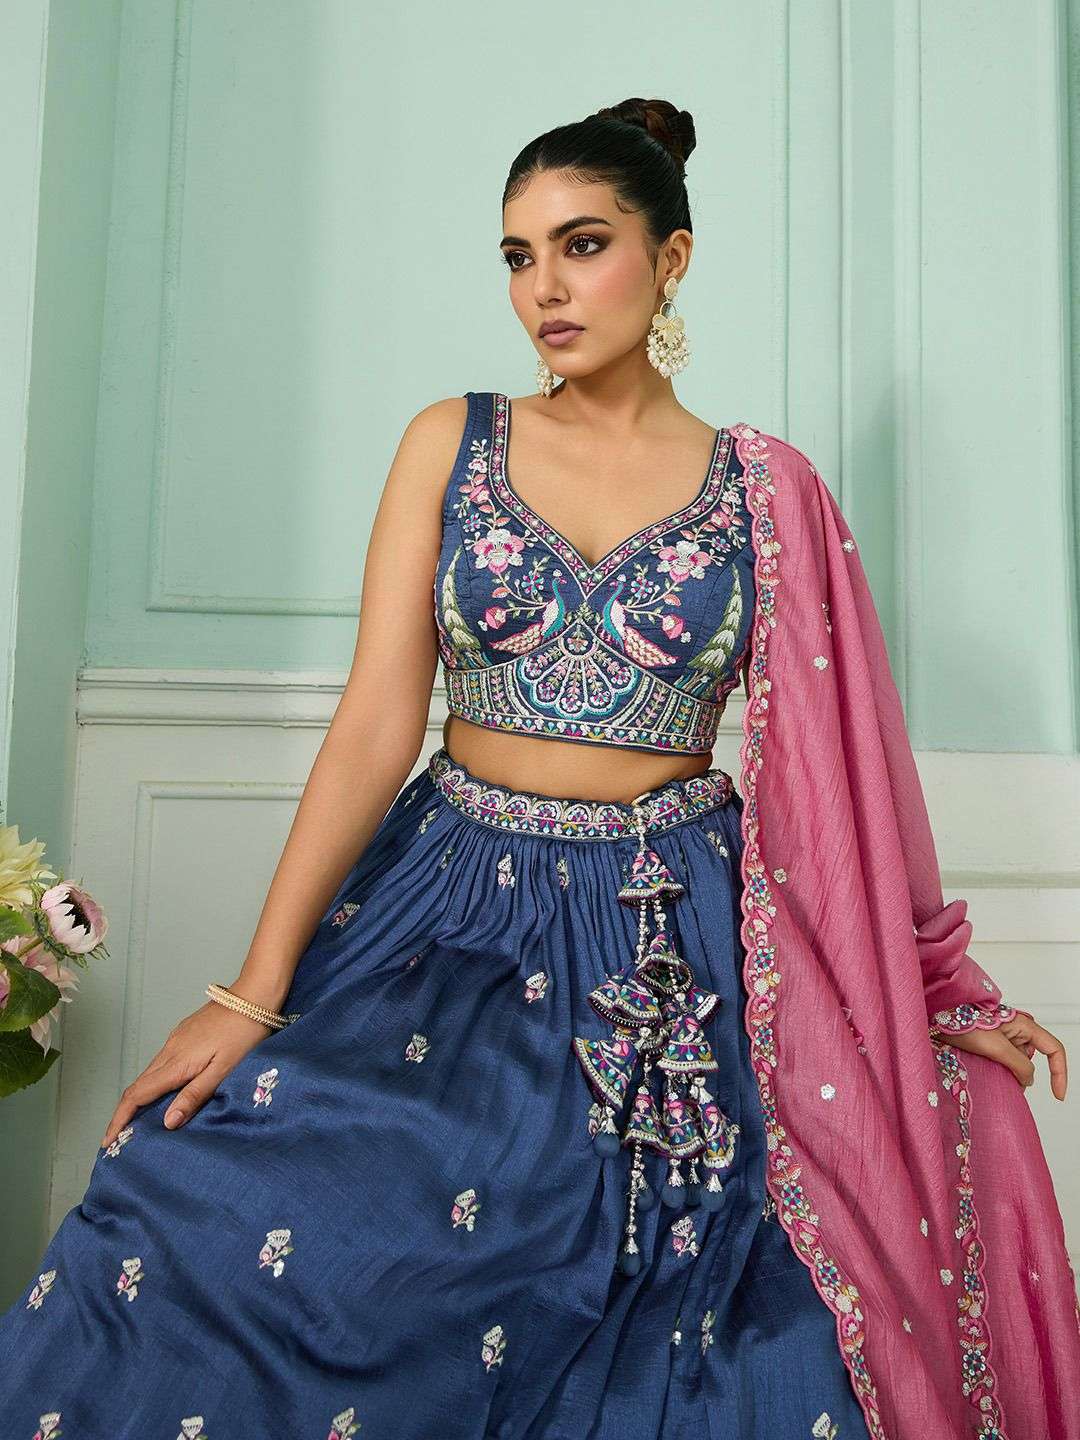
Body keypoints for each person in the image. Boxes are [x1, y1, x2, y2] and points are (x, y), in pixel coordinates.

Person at [1, 97, 1076, 1440]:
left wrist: (929, 992)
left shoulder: (768, 489)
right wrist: (249, 993)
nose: (545, 290)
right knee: (207, 1210)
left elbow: (848, 784)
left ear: (670, 259)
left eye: (582, 245)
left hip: (670, 944)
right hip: (447, 914)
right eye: (519, 256)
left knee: (719, 1315)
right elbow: (374, 725)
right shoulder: (451, 442)